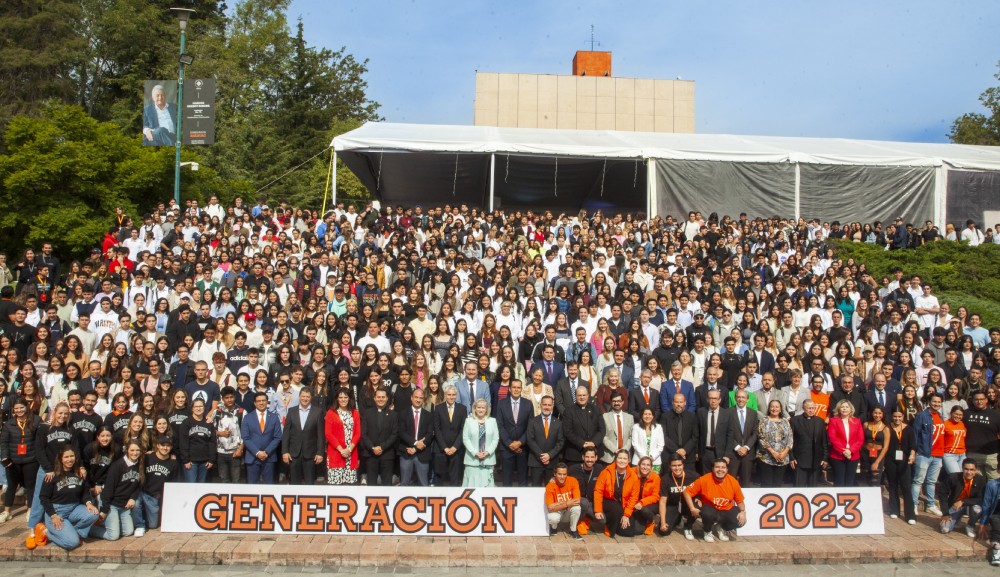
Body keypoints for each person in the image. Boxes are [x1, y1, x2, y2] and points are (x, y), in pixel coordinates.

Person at [37, 446, 99, 550]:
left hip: (74, 508)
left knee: (94, 513)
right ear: (61, 459)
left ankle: (72, 531)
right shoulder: (52, 475)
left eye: (72, 456)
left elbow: (85, 492)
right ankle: (46, 532)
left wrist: (88, 503)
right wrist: (53, 515)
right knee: (73, 543)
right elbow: (43, 498)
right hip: (57, 512)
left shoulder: (79, 473)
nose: (69, 459)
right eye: (66, 457)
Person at [683, 458, 747, 542]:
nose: (720, 470)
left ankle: (721, 527)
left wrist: (743, 512)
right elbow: (687, 491)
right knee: (705, 512)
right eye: (717, 467)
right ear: (713, 469)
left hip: (725, 509)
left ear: (727, 470)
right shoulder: (704, 479)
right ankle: (706, 531)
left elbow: (739, 500)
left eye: (723, 467)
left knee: (740, 521)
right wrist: (692, 508)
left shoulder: (733, 481)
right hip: (709, 508)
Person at [90, 440, 143, 540]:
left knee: (128, 532)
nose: (135, 453)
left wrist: (133, 498)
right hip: (110, 503)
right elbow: (108, 489)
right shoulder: (117, 465)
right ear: (126, 450)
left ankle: (110, 524)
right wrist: (105, 509)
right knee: (113, 536)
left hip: (124, 505)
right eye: (132, 450)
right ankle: (89, 529)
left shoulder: (140, 465)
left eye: (137, 450)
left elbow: (139, 485)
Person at [0, 399, 41, 523]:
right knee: (11, 485)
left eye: (21, 408)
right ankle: (7, 511)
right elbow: (4, 442)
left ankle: (30, 510)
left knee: (30, 486)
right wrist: (5, 457)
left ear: (26, 407)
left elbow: (40, 439)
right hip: (13, 460)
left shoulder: (36, 420)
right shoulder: (9, 424)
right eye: (16, 408)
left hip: (31, 459)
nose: (19, 411)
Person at [281, 387, 326, 485]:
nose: (305, 399)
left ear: (311, 398)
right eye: (303, 396)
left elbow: (320, 435)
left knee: (309, 484)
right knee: (294, 483)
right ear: (299, 397)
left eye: (307, 397)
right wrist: (285, 451)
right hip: (294, 454)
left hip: (310, 455)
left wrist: (320, 453)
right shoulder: (292, 411)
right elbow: (286, 433)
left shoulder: (318, 412)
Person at [593, 449, 639, 538]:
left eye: (625, 459)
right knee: (616, 510)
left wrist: (626, 515)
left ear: (628, 460)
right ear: (616, 459)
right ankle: (609, 527)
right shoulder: (606, 472)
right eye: (620, 458)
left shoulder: (633, 476)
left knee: (628, 532)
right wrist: (598, 510)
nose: (622, 461)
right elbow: (598, 491)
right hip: (608, 500)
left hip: (624, 503)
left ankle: (617, 525)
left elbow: (634, 497)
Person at [912, 393, 945, 516]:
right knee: (918, 481)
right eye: (934, 401)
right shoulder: (922, 416)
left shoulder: (940, 416)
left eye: (939, 402)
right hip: (924, 453)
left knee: (931, 481)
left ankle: (930, 505)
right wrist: (914, 452)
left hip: (938, 455)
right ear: (929, 402)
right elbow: (915, 435)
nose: (936, 404)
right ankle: (914, 504)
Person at [496, 380, 533, 487]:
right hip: (506, 447)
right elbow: (500, 425)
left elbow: (530, 426)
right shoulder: (502, 403)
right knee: (506, 479)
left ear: (521, 389)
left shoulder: (528, 403)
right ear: (509, 389)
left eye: (518, 387)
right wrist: (509, 443)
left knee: (523, 479)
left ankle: (523, 502)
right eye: (514, 387)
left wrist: (520, 442)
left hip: (523, 447)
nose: (516, 390)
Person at [241, 391, 282, 484]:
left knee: (268, 487)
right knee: (252, 487)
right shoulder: (247, 417)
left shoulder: (274, 417)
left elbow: (277, 437)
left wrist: (266, 452)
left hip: (269, 457)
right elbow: (246, 438)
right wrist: (257, 452)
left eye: (264, 400)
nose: (261, 403)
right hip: (252, 457)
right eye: (259, 401)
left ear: (267, 402)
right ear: (255, 403)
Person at [360, 387, 397, 486]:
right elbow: (363, 434)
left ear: (387, 398)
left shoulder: (393, 415)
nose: (381, 399)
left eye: (383, 397)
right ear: (374, 398)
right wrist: (372, 447)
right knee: (371, 484)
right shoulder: (367, 413)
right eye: (378, 397)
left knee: (387, 485)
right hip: (370, 454)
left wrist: (382, 447)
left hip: (387, 454)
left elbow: (394, 434)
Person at [432, 384, 467, 486]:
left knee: (455, 479)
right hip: (440, 449)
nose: (451, 397)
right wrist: (445, 448)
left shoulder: (462, 408)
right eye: (449, 395)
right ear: (445, 395)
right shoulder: (438, 408)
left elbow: (463, 429)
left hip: (456, 449)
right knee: (439, 478)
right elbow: (437, 429)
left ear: (456, 395)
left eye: (453, 395)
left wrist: (455, 447)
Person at [940, 458, 985, 536]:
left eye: (972, 470)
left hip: (971, 506)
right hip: (955, 507)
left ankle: (970, 525)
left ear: (975, 470)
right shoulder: (952, 477)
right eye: (966, 469)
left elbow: (981, 499)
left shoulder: (981, 480)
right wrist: (945, 514)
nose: (969, 472)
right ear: (962, 468)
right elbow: (942, 495)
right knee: (944, 529)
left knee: (977, 509)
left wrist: (963, 501)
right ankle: (956, 520)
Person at [398, 387, 433, 486]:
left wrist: (417, 448)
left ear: (423, 399)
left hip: (422, 454)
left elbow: (430, 434)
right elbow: (401, 432)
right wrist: (415, 443)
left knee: (423, 484)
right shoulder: (402, 414)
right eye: (416, 397)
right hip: (406, 452)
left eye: (421, 398)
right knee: (404, 483)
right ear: (411, 398)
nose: (418, 400)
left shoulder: (429, 415)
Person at [526, 395, 563, 486]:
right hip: (536, 461)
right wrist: (542, 456)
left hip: (552, 462)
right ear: (540, 405)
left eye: (549, 405)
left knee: (551, 488)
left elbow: (561, 441)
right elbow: (530, 440)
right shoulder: (532, 421)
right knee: (535, 489)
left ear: (552, 406)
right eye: (545, 404)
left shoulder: (558, 423)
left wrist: (549, 455)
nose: (547, 407)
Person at [325, 389, 361, 485]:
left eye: (345, 397)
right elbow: (328, 434)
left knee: (349, 486)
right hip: (336, 454)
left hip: (351, 454)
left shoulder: (355, 413)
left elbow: (357, 433)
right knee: (335, 487)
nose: (343, 399)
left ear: (349, 399)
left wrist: (349, 449)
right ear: (337, 399)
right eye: (340, 397)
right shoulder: (331, 413)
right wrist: (341, 450)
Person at [658, 453, 697, 540]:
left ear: (683, 465)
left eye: (679, 465)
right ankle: (677, 519)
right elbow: (662, 501)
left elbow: (703, 489)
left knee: (698, 506)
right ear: (670, 466)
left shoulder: (693, 476)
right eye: (674, 466)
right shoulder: (665, 479)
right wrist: (663, 522)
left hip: (688, 505)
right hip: (673, 505)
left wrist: (699, 498)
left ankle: (688, 526)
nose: (677, 468)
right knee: (664, 532)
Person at [462, 398, 499, 487]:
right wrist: (475, 453)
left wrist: (488, 452)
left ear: (487, 409)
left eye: (483, 408)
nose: (481, 410)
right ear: (474, 408)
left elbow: (495, 438)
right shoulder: (469, 421)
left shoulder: (492, 421)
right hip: (472, 460)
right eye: (478, 407)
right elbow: (465, 438)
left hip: (487, 459)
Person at [178, 397, 216, 483]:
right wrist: (186, 460)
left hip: (205, 462)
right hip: (191, 462)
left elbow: (212, 442)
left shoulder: (208, 423)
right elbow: (183, 442)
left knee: (201, 488)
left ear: (204, 407)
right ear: (192, 408)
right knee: (191, 486)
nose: (198, 408)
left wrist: (211, 459)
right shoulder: (186, 422)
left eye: (201, 406)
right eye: (196, 406)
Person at [827, 399, 864, 486]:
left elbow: (860, 439)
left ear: (851, 409)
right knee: (839, 481)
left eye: (846, 407)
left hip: (853, 455)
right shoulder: (833, 421)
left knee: (850, 481)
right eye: (842, 407)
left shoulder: (857, 421)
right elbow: (832, 438)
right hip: (838, 455)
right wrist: (844, 451)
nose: (844, 409)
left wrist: (850, 451)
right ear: (838, 409)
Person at [756, 399, 792, 487]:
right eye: (772, 406)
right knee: (767, 484)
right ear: (769, 408)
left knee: (778, 485)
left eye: (777, 407)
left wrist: (784, 452)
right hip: (766, 458)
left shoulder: (785, 421)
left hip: (782, 458)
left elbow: (790, 438)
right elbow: (761, 438)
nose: (774, 409)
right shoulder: (763, 421)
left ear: (780, 409)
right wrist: (773, 452)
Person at [728, 389, 759, 487]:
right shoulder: (728, 412)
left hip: (748, 454)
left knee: (746, 482)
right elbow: (726, 433)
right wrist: (737, 447)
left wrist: (746, 447)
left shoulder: (753, 413)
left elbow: (755, 433)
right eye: (739, 397)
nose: (741, 399)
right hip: (733, 454)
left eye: (743, 397)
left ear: (747, 399)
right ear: (735, 398)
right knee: (731, 481)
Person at [544, 463, 583, 539]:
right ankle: (554, 528)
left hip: (567, 511)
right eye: (559, 474)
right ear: (554, 474)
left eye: (564, 474)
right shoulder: (550, 485)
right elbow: (550, 508)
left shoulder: (573, 481)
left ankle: (573, 530)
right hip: (558, 512)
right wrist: (567, 503)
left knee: (577, 508)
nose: (562, 477)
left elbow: (577, 501)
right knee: (552, 517)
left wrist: (558, 504)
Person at [631, 456, 662, 535]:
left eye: (648, 465)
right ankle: (642, 519)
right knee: (637, 531)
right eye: (643, 464)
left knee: (644, 510)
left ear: (651, 467)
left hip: (650, 504)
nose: (645, 467)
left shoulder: (655, 477)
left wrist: (642, 502)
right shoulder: (632, 472)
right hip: (635, 503)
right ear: (639, 465)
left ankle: (650, 521)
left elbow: (656, 496)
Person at [601, 392, 634, 464]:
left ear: (622, 402)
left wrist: (623, 451)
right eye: (614, 401)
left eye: (618, 401)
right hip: (609, 456)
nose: (616, 403)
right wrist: (615, 450)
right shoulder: (605, 416)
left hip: (625, 457)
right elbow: (603, 436)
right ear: (611, 402)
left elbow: (631, 437)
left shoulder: (630, 417)